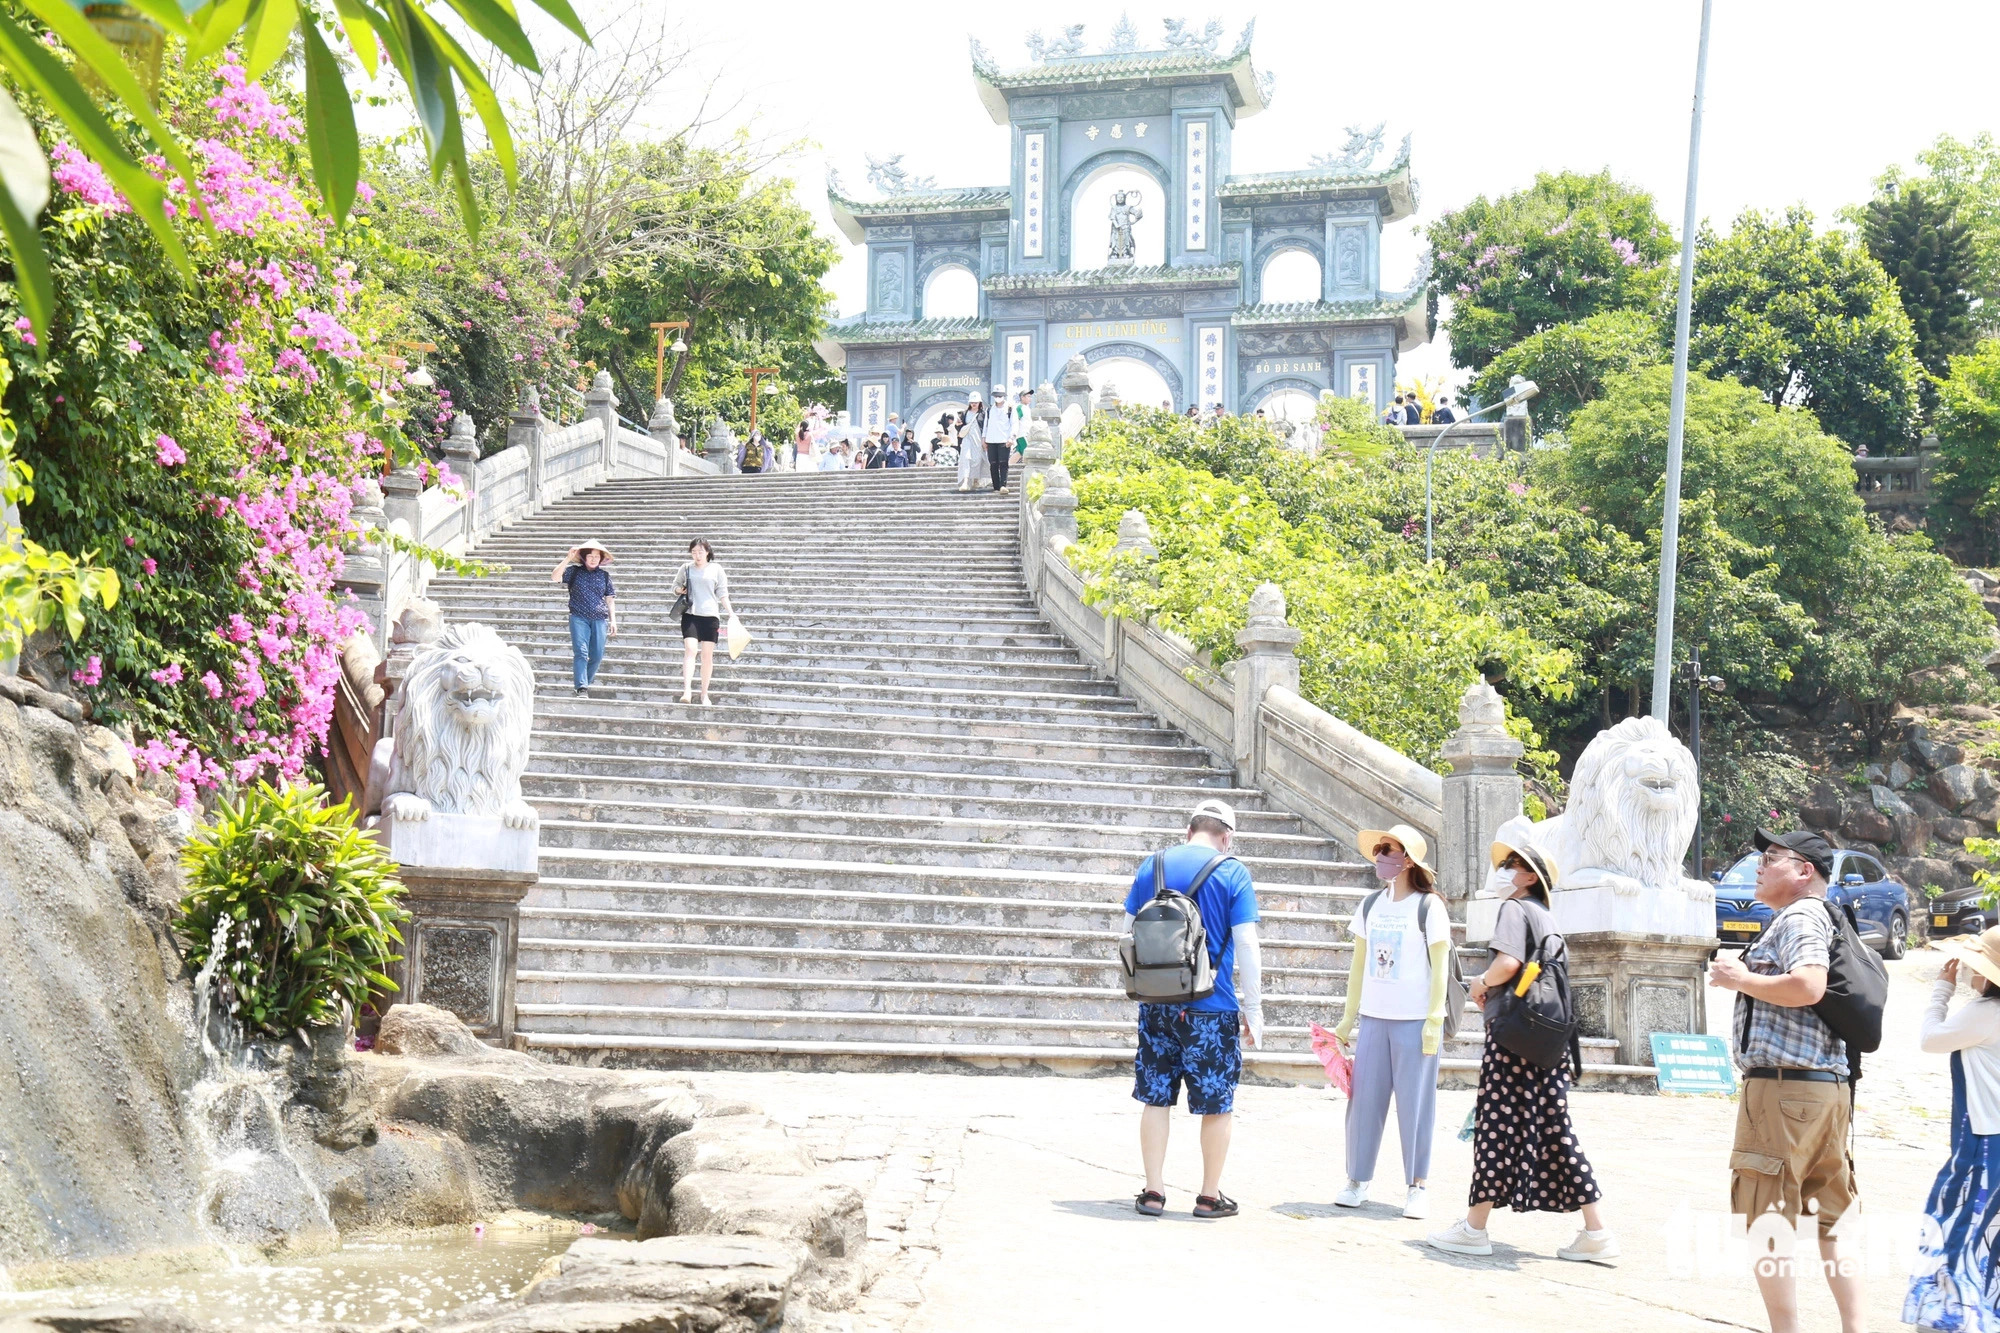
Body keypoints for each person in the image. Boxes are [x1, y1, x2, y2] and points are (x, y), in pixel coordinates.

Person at [1707, 829, 1866, 1333]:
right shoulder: (1829, 916)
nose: (1759, 864)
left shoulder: (1799, 916)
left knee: (1767, 1222)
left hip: (1783, 1092)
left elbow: (1808, 984)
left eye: (1771, 857)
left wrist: (1739, 979)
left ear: (1803, 872)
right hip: (1827, 1091)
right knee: (1832, 1220)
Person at [1428, 837, 1616, 1262]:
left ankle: (1474, 1228)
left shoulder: (1514, 909)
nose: (1505, 869)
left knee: (1496, 1125)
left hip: (1513, 1039)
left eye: (1513, 864)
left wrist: (1479, 983)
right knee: (1554, 1129)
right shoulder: (1546, 918)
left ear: (1531, 876)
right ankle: (1597, 1232)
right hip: (1543, 1041)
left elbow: (1507, 966)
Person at [1126, 798, 1262, 1221]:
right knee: (1217, 1105)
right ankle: (1208, 1196)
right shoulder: (1232, 870)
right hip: (1212, 1006)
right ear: (1226, 838)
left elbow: (1127, 934)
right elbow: (1247, 946)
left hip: (1157, 1005)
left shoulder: (1154, 865)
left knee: (1155, 1098)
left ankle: (1153, 1191)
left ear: (1189, 831)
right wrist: (1253, 1011)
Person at [1332, 823, 1452, 1219]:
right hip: (1374, 1018)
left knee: (1416, 1106)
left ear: (1408, 860)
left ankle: (1417, 1186)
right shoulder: (1370, 905)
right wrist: (1348, 1020)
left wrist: (1435, 1019)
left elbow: (1440, 968)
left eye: (1391, 849)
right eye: (1381, 848)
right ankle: (1357, 1180)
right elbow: (1358, 967)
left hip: (1414, 1021)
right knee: (1363, 1102)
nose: (1383, 855)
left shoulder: (1428, 906)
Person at [1903, 927, 2000, 1329]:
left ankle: (1950, 1314)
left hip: (1982, 1139)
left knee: (1956, 1224)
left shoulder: (1985, 1013)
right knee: (1990, 1234)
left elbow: (1930, 1039)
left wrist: (1941, 991)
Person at [549, 540, 616, 698]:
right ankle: (581, 688)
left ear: (600, 559)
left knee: (597, 655)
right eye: (590, 556)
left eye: (596, 556)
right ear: (584, 558)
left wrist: (613, 620)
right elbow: (554, 577)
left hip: (599, 618)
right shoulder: (574, 572)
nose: (593, 559)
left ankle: (584, 681)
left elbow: (610, 599)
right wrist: (567, 559)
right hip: (578, 616)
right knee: (581, 652)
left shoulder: (604, 576)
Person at [671, 538, 733, 707]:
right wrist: (679, 590)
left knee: (707, 656)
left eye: (700, 552)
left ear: (707, 552)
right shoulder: (686, 568)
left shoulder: (716, 569)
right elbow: (674, 586)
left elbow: (722, 593)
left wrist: (731, 613)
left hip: (710, 616)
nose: (697, 555)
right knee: (690, 650)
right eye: (693, 552)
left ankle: (704, 694)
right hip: (691, 614)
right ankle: (687, 690)